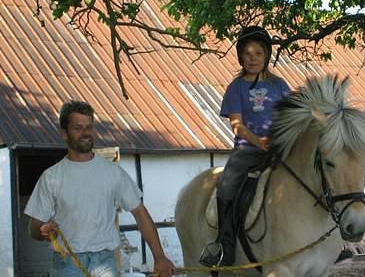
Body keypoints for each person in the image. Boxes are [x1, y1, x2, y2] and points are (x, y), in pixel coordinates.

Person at [24, 101, 175, 277]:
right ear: (64, 133)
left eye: (89, 127)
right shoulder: (51, 177)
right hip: (66, 264)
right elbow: (33, 229)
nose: (85, 133)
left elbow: (140, 213)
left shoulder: (113, 172)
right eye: (78, 128)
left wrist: (159, 257)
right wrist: (41, 231)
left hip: (105, 263)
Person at [200, 26, 290, 267]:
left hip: (279, 147)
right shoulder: (235, 88)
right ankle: (224, 245)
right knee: (227, 186)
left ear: (266, 56)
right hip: (247, 149)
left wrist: (280, 139)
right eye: (248, 54)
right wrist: (259, 142)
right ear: (240, 56)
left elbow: (290, 117)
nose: (253, 59)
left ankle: (332, 238)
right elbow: (237, 125)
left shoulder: (280, 86)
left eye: (258, 54)